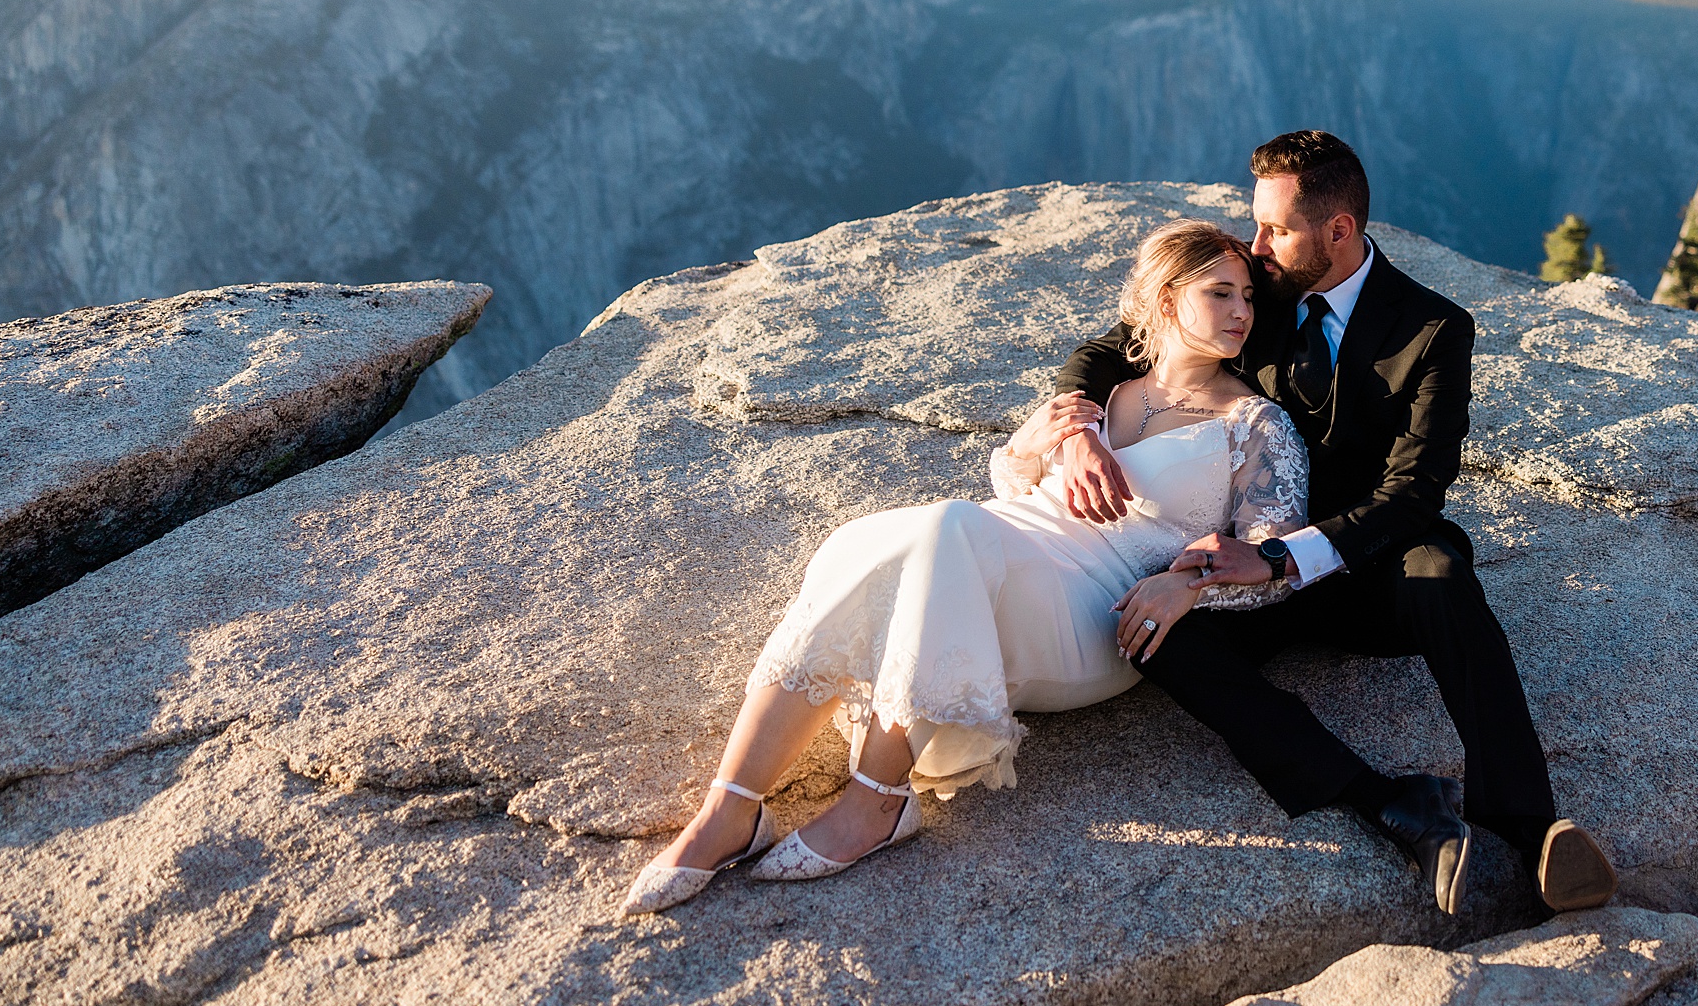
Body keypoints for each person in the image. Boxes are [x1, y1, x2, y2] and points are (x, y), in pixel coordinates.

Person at [621, 221, 1309, 917]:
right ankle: (729, 809)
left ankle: (877, 802)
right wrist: (1033, 443)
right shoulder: (1102, 395)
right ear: (1164, 300)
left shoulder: (1254, 423)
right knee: (869, 539)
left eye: (1248, 297)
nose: (1242, 313)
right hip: (1008, 550)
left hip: (1095, 610)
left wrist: (1184, 584)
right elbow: (1015, 484)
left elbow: (1270, 562)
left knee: (949, 525)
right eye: (1220, 293)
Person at [1055, 130, 1615, 916]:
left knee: (1444, 573)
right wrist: (1077, 426)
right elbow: (1110, 348)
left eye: (1275, 230)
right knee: (1155, 626)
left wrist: (1282, 560)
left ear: (1339, 232)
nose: (1255, 249)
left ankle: (1531, 829)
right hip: (1241, 555)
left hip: (1366, 566)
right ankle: (1390, 803)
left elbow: (1415, 492)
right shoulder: (1253, 292)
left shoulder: (1433, 331)